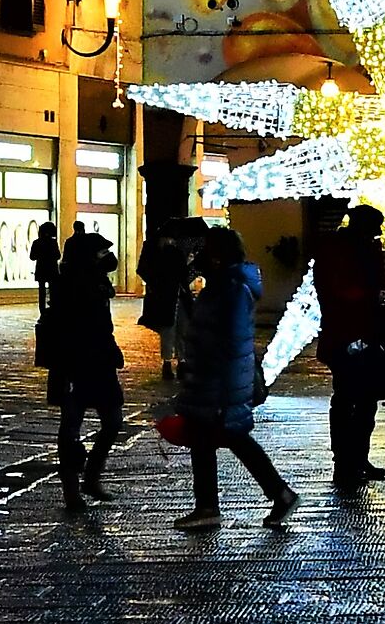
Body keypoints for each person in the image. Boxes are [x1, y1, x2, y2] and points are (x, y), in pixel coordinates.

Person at [173, 224, 300, 530]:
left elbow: (227, 339)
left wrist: (200, 364)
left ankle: (213, 506)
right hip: (215, 377)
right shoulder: (220, 285)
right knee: (225, 437)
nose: (198, 255)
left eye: (204, 250)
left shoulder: (229, 289)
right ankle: (274, 495)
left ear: (217, 255)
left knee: (219, 436)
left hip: (219, 380)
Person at [315, 202, 385, 491]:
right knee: (348, 397)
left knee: (365, 400)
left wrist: (384, 295)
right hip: (345, 334)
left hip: (368, 332)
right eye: (375, 229)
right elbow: (336, 290)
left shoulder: (366, 250)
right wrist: (373, 296)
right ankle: (344, 461)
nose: (378, 234)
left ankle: (358, 458)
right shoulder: (337, 251)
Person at [46, 226, 123, 509]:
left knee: (113, 421)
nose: (108, 257)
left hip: (101, 360)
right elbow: (68, 326)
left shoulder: (98, 281)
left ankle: (91, 476)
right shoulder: (70, 284)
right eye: (103, 252)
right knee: (71, 427)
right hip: (74, 362)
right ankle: (72, 489)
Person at [137, 218, 194, 385]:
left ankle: (172, 362)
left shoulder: (161, 251)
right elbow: (182, 275)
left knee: (175, 331)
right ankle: (174, 362)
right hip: (171, 297)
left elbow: (182, 275)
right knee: (174, 331)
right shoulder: (167, 252)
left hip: (174, 297)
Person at [30, 221, 60, 320]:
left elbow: (32, 257)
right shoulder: (53, 242)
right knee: (53, 291)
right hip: (52, 269)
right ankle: (53, 309)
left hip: (41, 269)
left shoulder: (37, 242)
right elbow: (58, 256)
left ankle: (42, 311)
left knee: (41, 292)